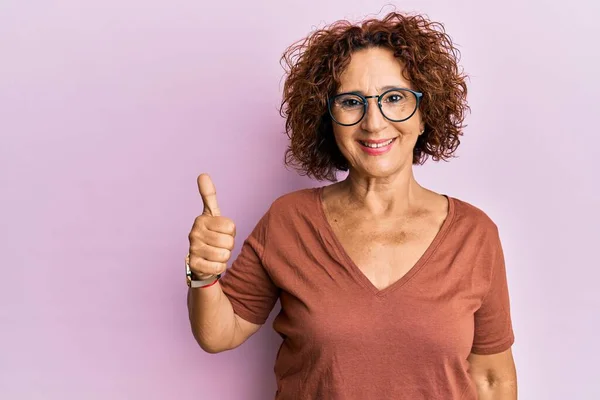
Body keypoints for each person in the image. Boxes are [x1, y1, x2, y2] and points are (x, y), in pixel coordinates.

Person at [186, 11, 517, 400]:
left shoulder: (474, 234)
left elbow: (492, 379)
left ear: (425, 114)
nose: (373, 123)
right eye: (351, 102)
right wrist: (203, 274)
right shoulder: (289, 220)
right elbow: (218, 334)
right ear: (329, 118)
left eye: (395, 98)